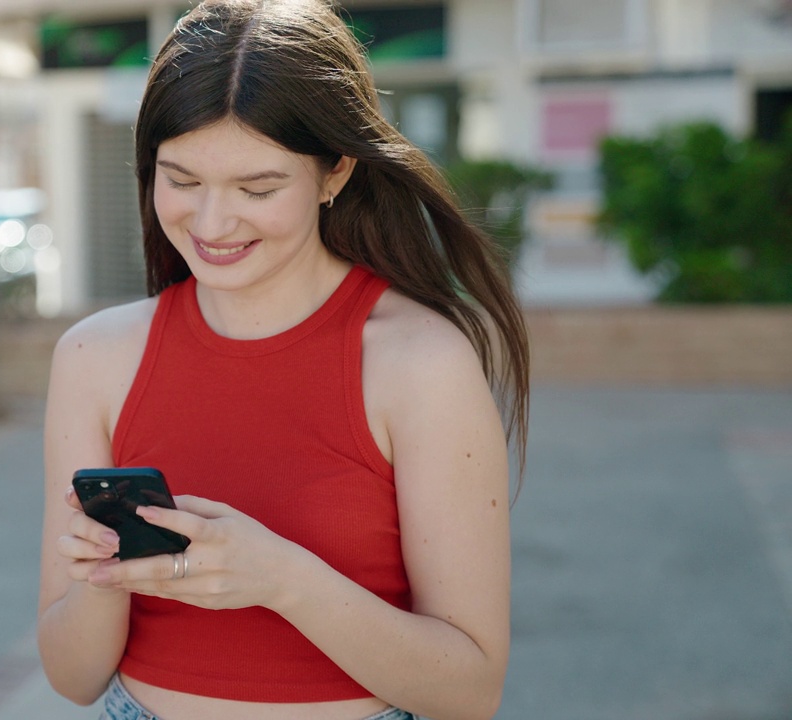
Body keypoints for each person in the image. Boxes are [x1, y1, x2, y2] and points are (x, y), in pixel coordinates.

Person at [36, 1, 529, 718]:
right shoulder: (94, 356)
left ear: (335, 174)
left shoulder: (420, 363)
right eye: (181, 180)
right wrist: (101, 575)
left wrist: (282, 579)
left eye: (257, 189)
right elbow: (72, 678)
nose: (210, 225)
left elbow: (469, 691)